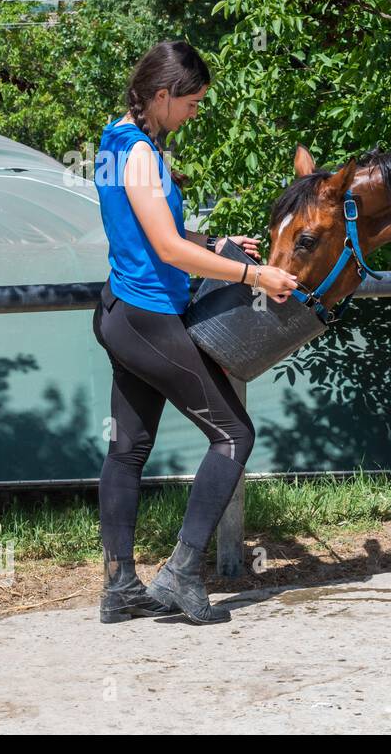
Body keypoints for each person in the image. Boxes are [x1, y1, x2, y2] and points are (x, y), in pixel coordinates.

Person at [90, 40, 298, 625]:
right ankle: (182, 572)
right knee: (234, 433)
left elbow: (152, 234)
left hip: (121, 311)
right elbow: (164, 247)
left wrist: (215, 246)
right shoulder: (139, 155)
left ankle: (120, 587)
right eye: (192, 103)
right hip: (148, 316)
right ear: (162, 95)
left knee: (127, 450)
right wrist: (253, 273)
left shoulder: (116, 139)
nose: (194, 113)